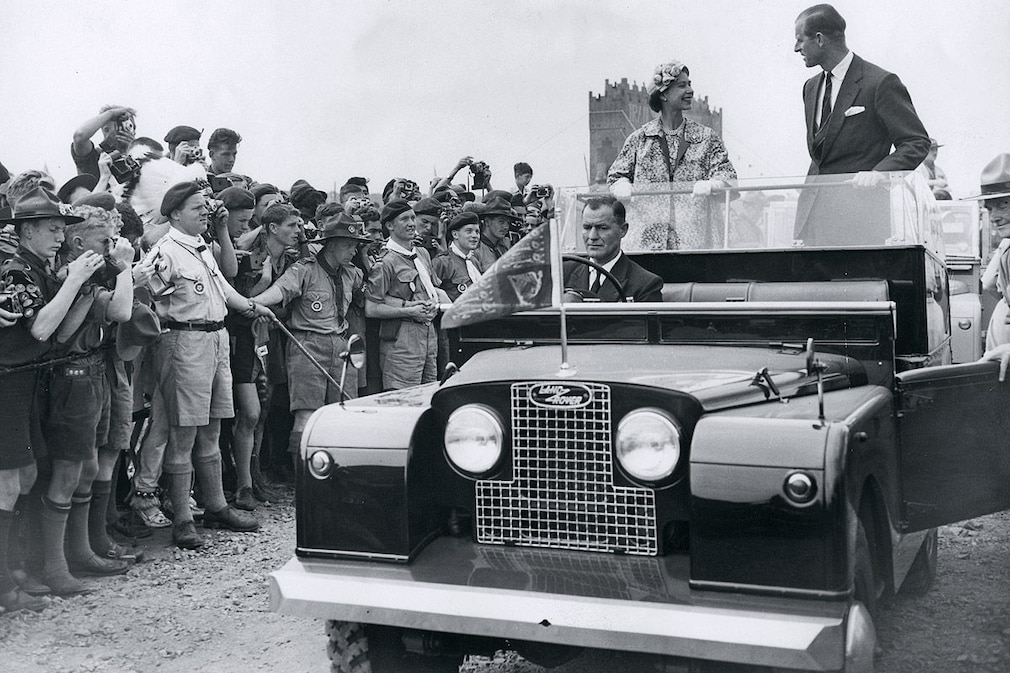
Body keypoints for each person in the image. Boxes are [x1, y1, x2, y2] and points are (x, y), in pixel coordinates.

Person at [142, 181, 274, 550]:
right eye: (198, 208)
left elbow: (224, 290)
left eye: (206, 206)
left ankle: (216, 505)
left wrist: (252, 306)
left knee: (213, 429)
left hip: (217, 340)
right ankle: (183, 518)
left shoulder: (201, 246)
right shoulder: (164, 252)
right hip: (183, 342)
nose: (206, 213)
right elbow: (143, 294)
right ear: (174, 214)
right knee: (184, 434)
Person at [792, 4, 930, 244]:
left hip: (860, 225)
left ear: (819, 39)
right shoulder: (810, 88)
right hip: (810, 223)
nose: (796, 48)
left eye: (799, 40)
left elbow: (916, 142)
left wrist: (878, 174)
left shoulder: (880, 83)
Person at [251, 208, 370, 469]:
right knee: (306, 414)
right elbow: (278, 292)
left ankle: (336, 474)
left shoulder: (352, 274)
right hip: (308, 346)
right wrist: (252, 304)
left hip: (341, 347)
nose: (354, 251)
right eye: (349, 245)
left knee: (342, 414)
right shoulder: (304, 270)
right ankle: (303, 480)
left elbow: (369, 299)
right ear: (332, 244)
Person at [608, 60, 737, 251]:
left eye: (690, 84)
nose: (690, 90)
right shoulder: (640, 139)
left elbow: (729, 178)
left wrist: (712, 184)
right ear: (664, 95)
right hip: (648, 241)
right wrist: (622, 186)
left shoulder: (706, 138)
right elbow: (615, 177)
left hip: (693, 241)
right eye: (682, 85)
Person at [365, 200, 448, 390]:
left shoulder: (422, 253)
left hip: (428, 335)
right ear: (389, 226)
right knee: (402, 399)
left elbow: (433, 290)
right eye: (404, 219)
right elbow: (372, 308)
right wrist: (409, 311)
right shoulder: (385, 262)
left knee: (429, 394)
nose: (411, 223)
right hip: (401, 339)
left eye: (412, 218)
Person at [563, 196, 663, 303]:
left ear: (623, 230)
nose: (592, 236)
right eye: (587, 227)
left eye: (602, 228)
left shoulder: (645, 284)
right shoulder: (562, 274)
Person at [972, 155, 1010, 351]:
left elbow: (988, 284)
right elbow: (988, 283)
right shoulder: (1006, 248)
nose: (994, 217)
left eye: (1003, 204)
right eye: (989, 208)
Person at [71, 106, 137, 181]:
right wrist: (111, 113)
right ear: (105, 130)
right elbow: (79, 136)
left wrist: (134, 149)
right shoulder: (95, 158)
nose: (126, 130)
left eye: (130, 126)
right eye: (119, 125)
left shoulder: (141, 158)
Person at [432, 211, 485, 302]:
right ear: (455, 234)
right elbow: (431, 292)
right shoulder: (442, 262)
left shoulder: (474, 261)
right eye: (469, 231)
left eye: (477, 232)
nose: (474, 236)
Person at [474, 194, 519, 269]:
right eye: (501, 222)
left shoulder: (506, 245)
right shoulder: (476, 249)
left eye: (508, 223)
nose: (505, 227)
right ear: (487, 221)